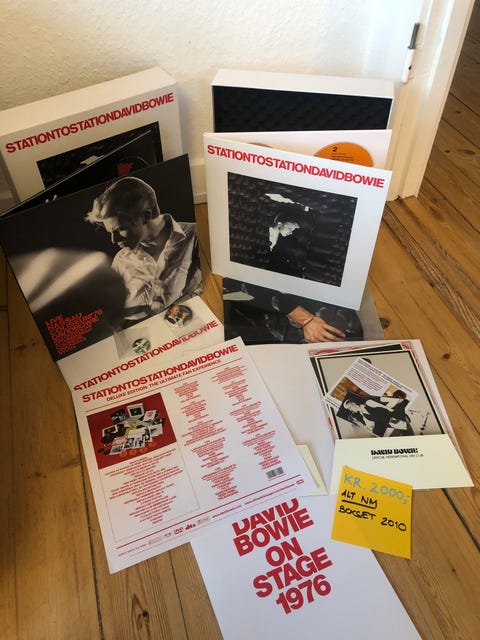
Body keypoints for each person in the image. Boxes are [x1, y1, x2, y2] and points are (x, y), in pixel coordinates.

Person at [86, 176, 202, 325]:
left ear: (146, 217)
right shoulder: (120, 260)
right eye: (110, 232)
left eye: (120, 229)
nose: (113, 240)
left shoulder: (197, 235)